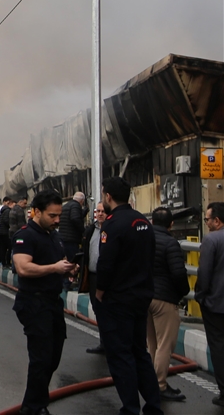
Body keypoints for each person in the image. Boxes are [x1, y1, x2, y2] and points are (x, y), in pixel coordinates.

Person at [95, 176, 162, 415]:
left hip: (118, 299)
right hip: (141, 296)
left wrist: (100, 291)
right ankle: (153, 406)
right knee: (139, 352)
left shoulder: (112, 225)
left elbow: (106, 263)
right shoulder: (142, 220)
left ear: (108, 196)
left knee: (120, 355)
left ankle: (131, 409)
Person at [12, 190, 75, 415]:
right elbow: (23, 267)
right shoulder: (25, 236)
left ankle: (37, 401)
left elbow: (59, 261)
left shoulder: (53, 236)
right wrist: (54, 268)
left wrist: (68, 268)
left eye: (59, 215)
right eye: (52, 216)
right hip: (34, 303)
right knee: (41, 358)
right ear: (37, 212)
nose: (57, 220)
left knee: (53, 357)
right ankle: (33, 407)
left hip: (52, 303)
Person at [147, 207, 189, 402]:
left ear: (152, 222)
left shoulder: (143, 240)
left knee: (152, 344)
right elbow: (178, 273)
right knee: (165, 344)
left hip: (145, 297)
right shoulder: (171, 243)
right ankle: (160, 385)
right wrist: (183, 292)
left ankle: (152, 383)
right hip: (164, 298)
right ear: (171, 224)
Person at [195, 201, 224, 407]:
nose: (206, 223)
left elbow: (204, 273)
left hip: (216, 303)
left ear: (217, 220)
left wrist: (200, 296)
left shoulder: (211, 240)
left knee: (219, 347)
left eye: (207, 220)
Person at [80, 202, 108, 355]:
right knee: (98, 309)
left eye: (103, 211)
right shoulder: (91, 230)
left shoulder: (112, 228)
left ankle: (113, 343)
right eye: (98, 211)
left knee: (109, 311)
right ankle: (104, 342)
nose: (100, 214)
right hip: (93, 276)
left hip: (108, 277)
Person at [59, 192, 86, 262]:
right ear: (82, 201)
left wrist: (83, 213)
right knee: (73, 261)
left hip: (62, 238)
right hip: (72, 239)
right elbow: (75, 218)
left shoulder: (66, 206)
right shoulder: (76, 206)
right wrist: (83, 231)